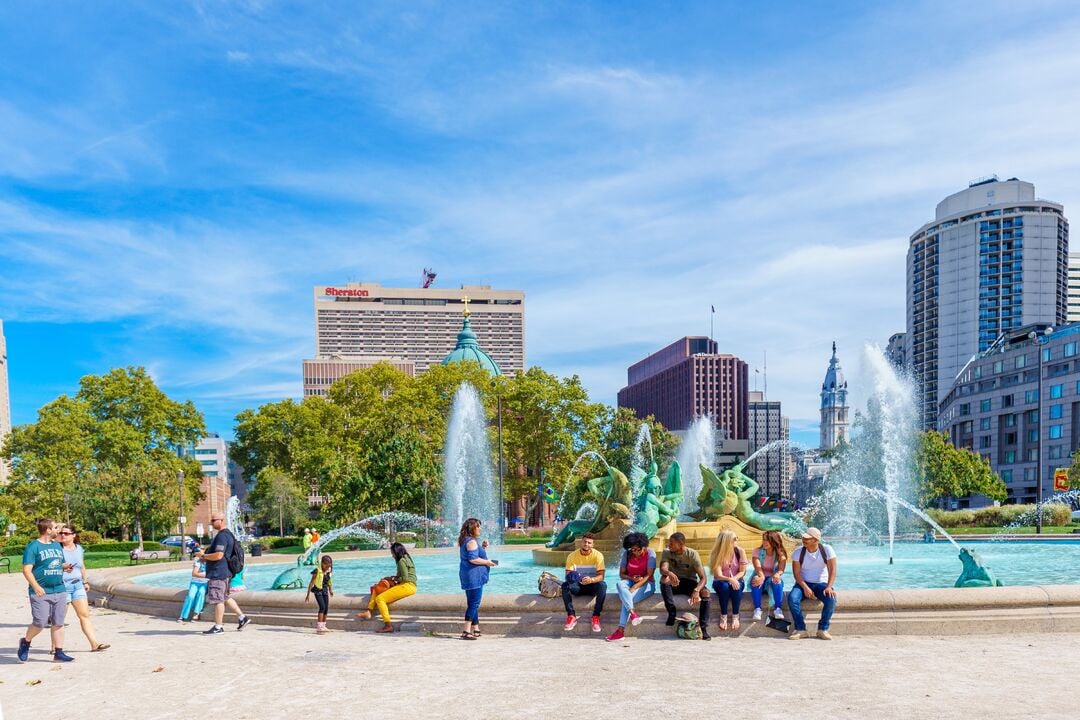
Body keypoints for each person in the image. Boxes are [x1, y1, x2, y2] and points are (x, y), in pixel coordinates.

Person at [18, 518, 73, 662]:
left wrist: (65, 567)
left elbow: (55, 564)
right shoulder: (33, 547)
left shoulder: (56, 546)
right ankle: (26, 641)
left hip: (59, 589)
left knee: (58, 622)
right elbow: (26, 570)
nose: (57, 530)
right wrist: (36, 586)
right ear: (48, 530)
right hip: (41, 592)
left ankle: (58, 652)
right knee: (40, 622)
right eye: (55, 527)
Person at [197, 513, 250, 635]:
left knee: (218, 600)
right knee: (225, 597)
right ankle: (242, 618)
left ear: (221, 521)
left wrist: (203, 556)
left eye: (213, 520)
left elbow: (219, 555)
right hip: (225, 572)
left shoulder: (222, 536)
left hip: (218, 573)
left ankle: (218, 627)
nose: (211, 522)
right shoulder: (228, 534)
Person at [58, 525, 109, 651]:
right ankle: (56, 647)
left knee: (84, 615)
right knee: (59, 619)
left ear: (73, 535)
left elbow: (82, 567)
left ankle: (94, 644)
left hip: (77, 585)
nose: (63, 535)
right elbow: (50, 567)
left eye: (66, 533)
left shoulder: (79, 549)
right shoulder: (57, 549)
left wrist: (85, 582)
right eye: (61, 533)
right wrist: (62, 567)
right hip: (62, 586)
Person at [659, 532, 711, 640]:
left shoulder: (692, 554)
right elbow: (663, 569)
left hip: (689, 582)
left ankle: (703, 627)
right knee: (664, 579)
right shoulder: (667, 552)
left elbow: (703, 577)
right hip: (675, 582)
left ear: (681, 544)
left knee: (706, 593)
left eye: (672, 543)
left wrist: (696, 590)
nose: (669, 545)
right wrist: (669, 573)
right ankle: (672, 612)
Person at [788, 527, 837, 640]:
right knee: (792, 598)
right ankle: (801, 629)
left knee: (831, 600)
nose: (803, 539)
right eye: (803, 537)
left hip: (822, 584)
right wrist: (805, 587)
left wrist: (829, 587)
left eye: (807, 538)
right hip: (802, 583)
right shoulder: (798, 552)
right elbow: (796, 573)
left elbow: (832, 570)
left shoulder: (827, 549)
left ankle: (822, 629)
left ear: (815, 540)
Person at [356, 542, 418, 633]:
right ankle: (368, 611)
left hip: (408, 585)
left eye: (392, 553)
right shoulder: (407, 558)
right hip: (406, 585)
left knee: (380, 599)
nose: (392, 556)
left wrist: (392, 578)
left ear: (396, 552)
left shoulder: (401, 561)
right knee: (378, 588)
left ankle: (388, 625)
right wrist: (390, 579)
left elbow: (405, 578)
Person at [606, 531, 655, 642]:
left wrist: (634, 587)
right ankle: (633, 614)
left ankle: (620, 631)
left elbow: (649, 575)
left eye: (638, 549)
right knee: (619, 584)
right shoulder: (627, 554)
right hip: (631, 581)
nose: (636, 552)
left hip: (647, 584)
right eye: (633, 550)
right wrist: (632, 579)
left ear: (644, 546)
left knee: (626, 599)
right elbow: (621, 574)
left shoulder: (651, 553)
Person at [458, 518, 497, 640]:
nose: (480, 529)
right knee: (474, 604)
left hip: (468, 575)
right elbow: (473, 559)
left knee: (472, 603)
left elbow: (474, 555)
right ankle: (466, 631)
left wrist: (483, 548)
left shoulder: (467, 541)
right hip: (474, 576)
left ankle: (476, 629)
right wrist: (488, 562)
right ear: (472, 528)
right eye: (478, 526)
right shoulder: (471, 542)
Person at [561, 532, 607, 633]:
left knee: (603, 585)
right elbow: (568, 576)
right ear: (581, 542)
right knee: (565, 585)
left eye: (589, 543)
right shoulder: (572, 556)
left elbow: (601, 576)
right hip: (578, 587)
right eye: (585, 542)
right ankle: (571, 616)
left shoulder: (598, 555)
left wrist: (591, 580)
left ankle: (596, 617)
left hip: (591, 587)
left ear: (593, 545)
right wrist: (580, 579)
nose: (586, 544)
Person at [708, 529, 747, 631]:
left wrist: (734, 579)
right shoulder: (717, 553)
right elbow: (718, 575)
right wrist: (730, 579)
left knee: (736, 587)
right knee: (725, 587)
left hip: (737, 579)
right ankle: (723, 615)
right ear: (727, 540)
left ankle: (735, 616)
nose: (737, 539)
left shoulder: (740, 551)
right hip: (720, 581)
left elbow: (742, 572)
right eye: (734, 538)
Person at [749, 530, 788, 622]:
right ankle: (757, 609)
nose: (764, 542)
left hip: (772, 578)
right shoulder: (757, 551)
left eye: (767, 540)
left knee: (777, 582)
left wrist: (777, 574)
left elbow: (781, 570)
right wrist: (761, 577)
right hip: (761, 575)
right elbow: (758, 568)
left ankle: (778, 609)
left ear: (774, 541)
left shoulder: (780, 553)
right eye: (763, 540)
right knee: (756, 581)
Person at [305, 555, 334, 634]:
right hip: (318, 591)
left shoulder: (329, 570)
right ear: (322, 564)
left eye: (329, 565)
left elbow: (329, 581)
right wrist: (307, 595)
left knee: (326, 608)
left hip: (325, 590)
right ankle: (319, 627)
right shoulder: (317, 571)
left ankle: (323, 626)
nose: (328, 567)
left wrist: (330, 590)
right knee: (322, 607)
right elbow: (311, 583)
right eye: (326, 565)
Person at [178, 549, 208, 622]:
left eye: (203, 556)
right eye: (201, 556)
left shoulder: (210, 563)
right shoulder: (197, 562)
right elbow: (194, 573)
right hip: (195, 582)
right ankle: (183, 615)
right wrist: (206, 575)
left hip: (205, 583)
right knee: (191, 596)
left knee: (201, 593)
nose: (202, 557)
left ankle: (196, 613)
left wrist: (202, 575)